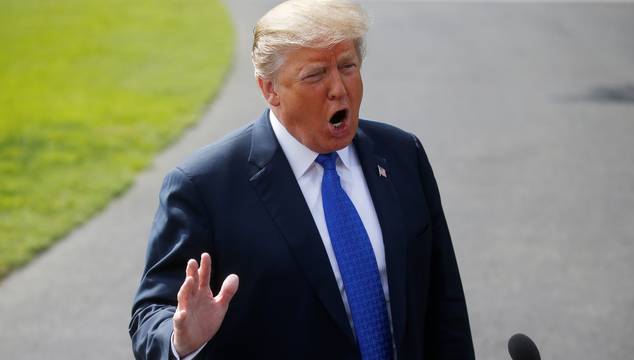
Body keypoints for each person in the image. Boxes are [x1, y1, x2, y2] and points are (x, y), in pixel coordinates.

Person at [129, 0, 474, 359]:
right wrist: (181, 340)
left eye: (347, 67)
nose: (339, 88)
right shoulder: (203, 188)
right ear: (270, 90)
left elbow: (444, 303)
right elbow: (149, 316)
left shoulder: (402, 154)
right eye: (315, 75)